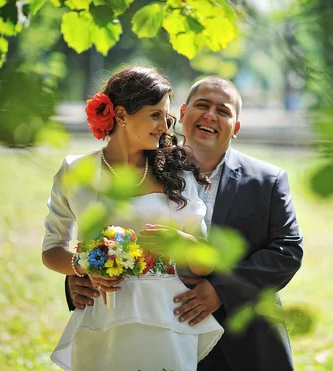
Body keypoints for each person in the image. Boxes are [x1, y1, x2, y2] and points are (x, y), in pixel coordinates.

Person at [67, 76, 304, 370]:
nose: (210, 116)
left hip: (244, 343)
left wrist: (222, 291)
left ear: (237, 128)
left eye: (224, 111)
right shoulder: (137, 169)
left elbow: (287, 252)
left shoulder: (267, 180)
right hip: (155, 337)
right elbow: (111, 233)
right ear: (180, 113)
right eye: (202, 105)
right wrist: (80, 277)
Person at [42, 67, 223, 371]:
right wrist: (83, 265)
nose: (164, 126)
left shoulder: (177, 175)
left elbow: (206, 262)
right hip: (103, 317)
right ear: (122, 115)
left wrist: (181, 243)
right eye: (155, 115)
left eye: (167, 117)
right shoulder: (76, 172)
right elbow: (51, 250)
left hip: (167, 318)